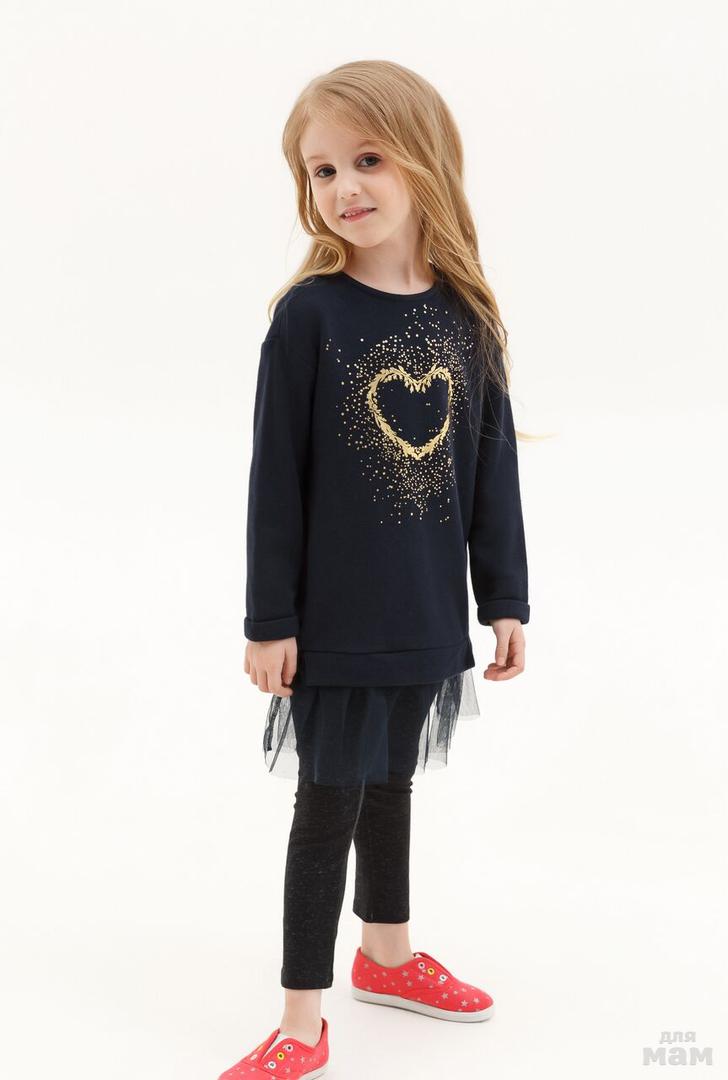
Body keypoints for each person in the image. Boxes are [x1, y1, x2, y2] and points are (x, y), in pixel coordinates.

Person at [219, 59, 530, 1080]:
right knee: (328, 806)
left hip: (425, 614)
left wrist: (505, 599)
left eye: (366, 159)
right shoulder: (309, 318)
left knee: (392, 783)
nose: (342, 187)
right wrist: (269, 619)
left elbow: (491, 476)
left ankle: (386, 955)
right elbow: (275, 480)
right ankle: (301, 1022)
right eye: (320, 171)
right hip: (334, 619)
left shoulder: (466, 318)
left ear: (423, 160)